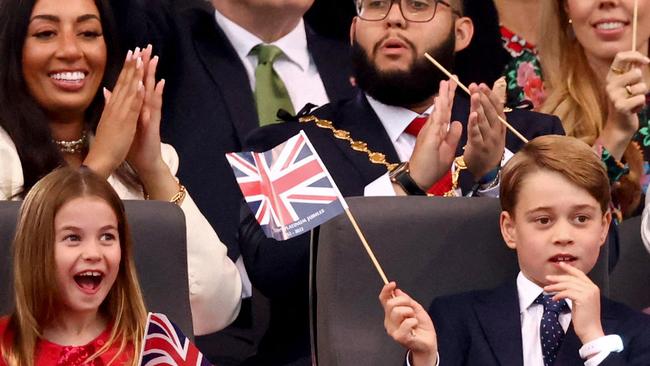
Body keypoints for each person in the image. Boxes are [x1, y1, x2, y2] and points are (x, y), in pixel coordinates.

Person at [239, 0, 564, 364]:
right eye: (375, 4)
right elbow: (275, 271)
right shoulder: (291, 143)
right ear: (353, 31)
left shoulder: (528, 137)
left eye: (418, 4)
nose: (394, 18)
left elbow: (591, 256)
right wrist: (406, 184)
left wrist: (495, 177)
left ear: (461, 33)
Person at [0, 0, 241, 336]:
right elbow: (15, 295)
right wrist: (97, 168)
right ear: (11, 50)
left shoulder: (136, 165)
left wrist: (152, 166)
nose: (71, 50)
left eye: (88, 33)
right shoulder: (4, 155)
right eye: (46, 33)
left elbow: (217, 306)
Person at [380, 135, 650, 365]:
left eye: (581, 219)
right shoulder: (457, 317)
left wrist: (594, 338)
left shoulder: (638, 330)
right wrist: (426, 358)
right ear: (510, 229)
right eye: (543, 220)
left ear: (603, 227)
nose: (564, 236)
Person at [0, 167, 147, 365]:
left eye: (107, 237)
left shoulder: (154, 345)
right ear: (37, 250)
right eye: (73, 238)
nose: (93, 254)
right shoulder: (4, 346)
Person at [539, 0, 650, 219]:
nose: (607, 1)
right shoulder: (528, 95)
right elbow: (554, 223)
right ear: (565, 6)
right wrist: (615, 132)